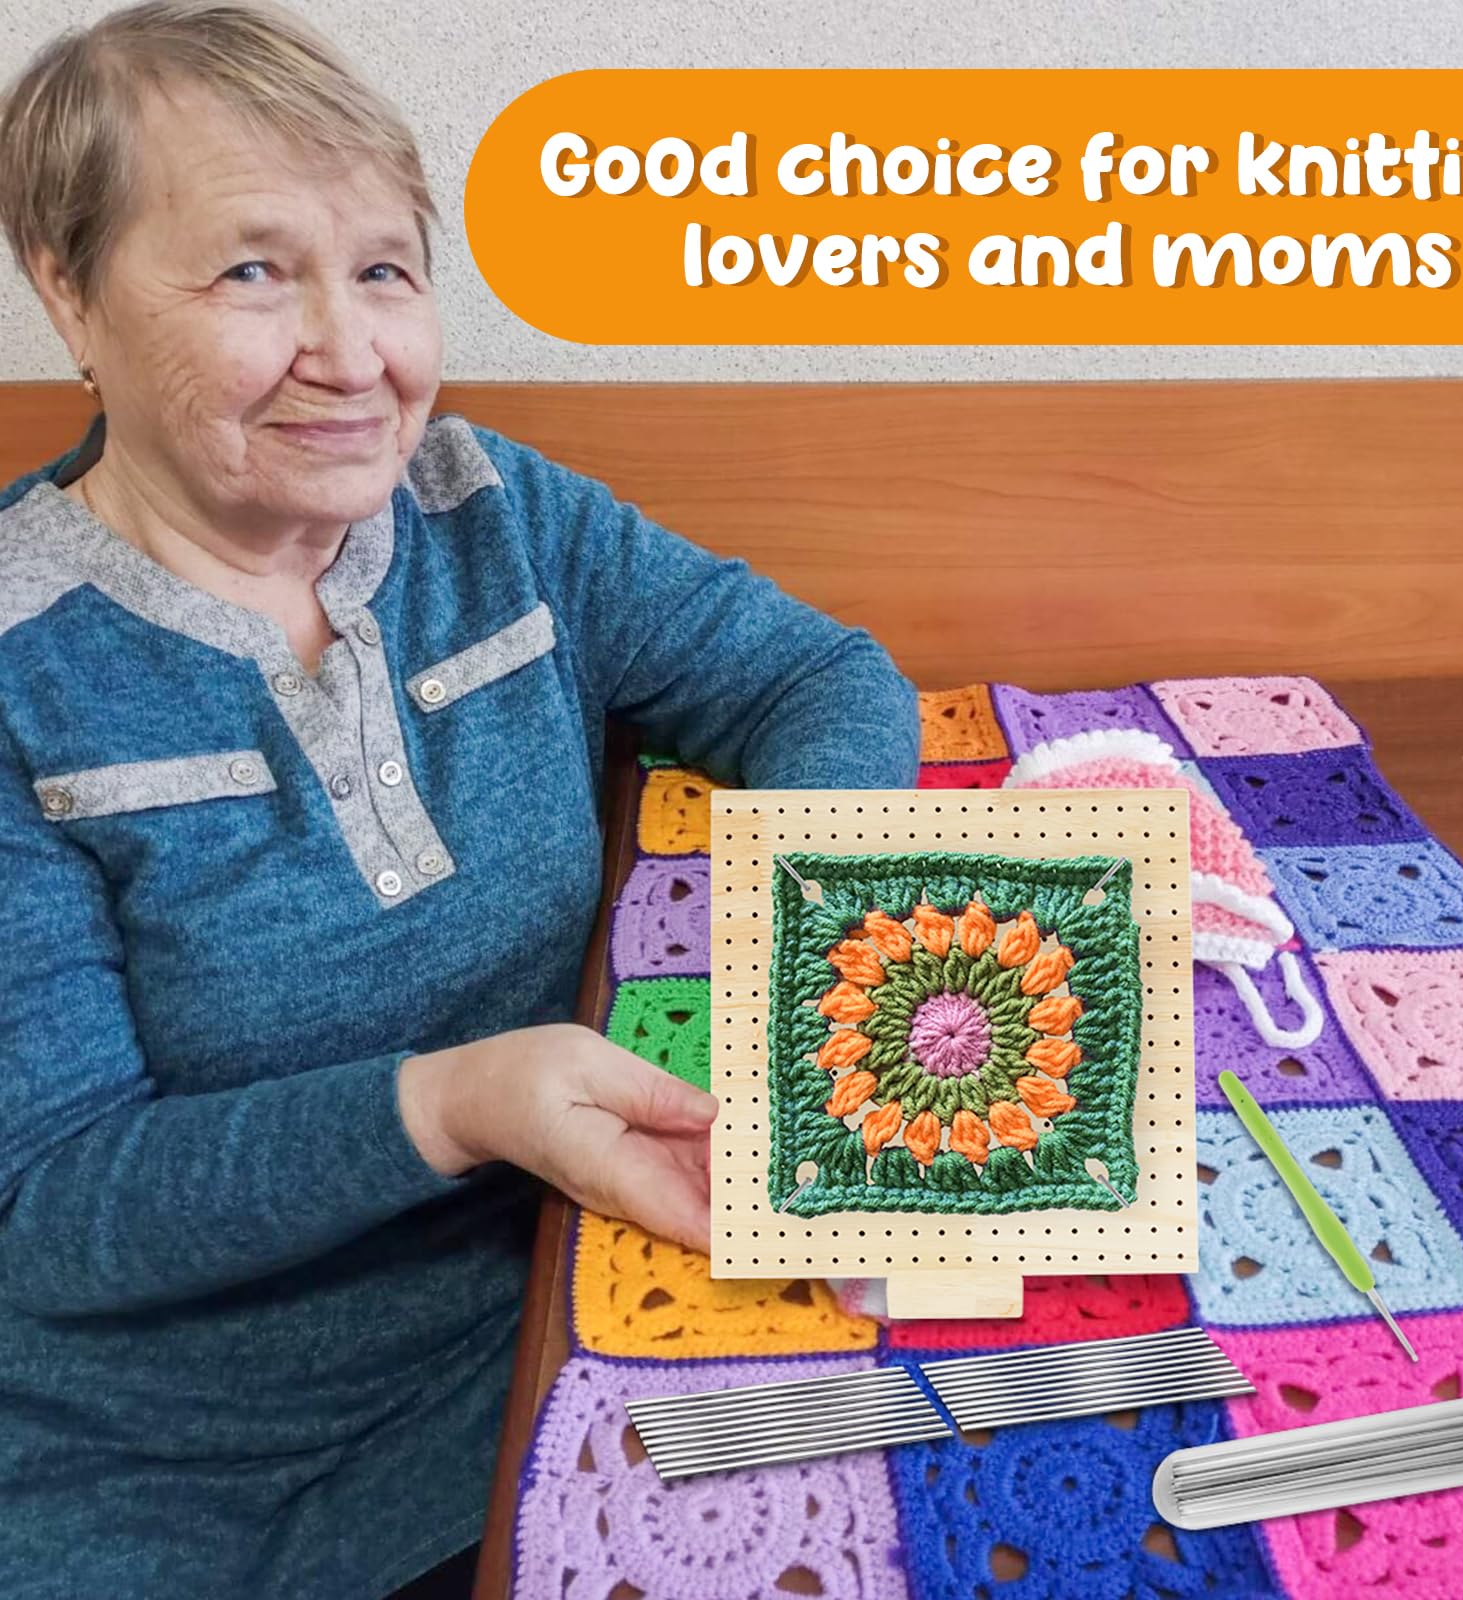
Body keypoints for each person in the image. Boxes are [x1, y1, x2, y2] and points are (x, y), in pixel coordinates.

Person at [0, 4, 922, 1595]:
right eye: (253, 270)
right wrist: (456, 1104)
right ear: (66, 289)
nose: (353, 353)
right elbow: (56, 1205)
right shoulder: (24, 673)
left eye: (384, 268)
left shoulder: (492, 510)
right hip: (181, 1468)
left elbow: (814, 678)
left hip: (576, 1302)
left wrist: (816, 923)